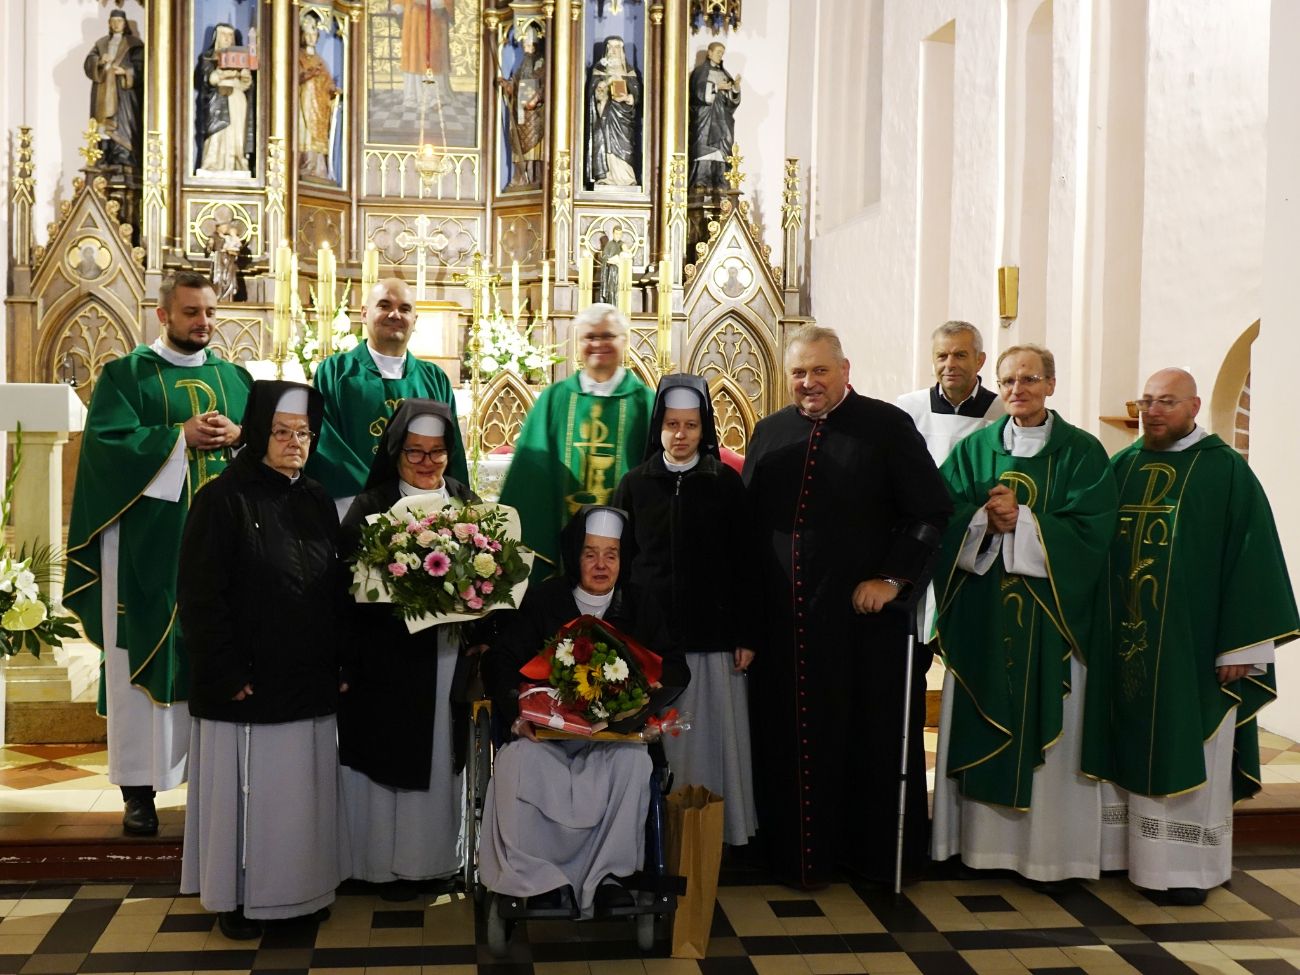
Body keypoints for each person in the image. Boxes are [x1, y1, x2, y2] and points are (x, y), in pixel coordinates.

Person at [742, 325, 951, 888]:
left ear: (845, 368)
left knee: (864, 740)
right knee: (785, 743)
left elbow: (931, 512)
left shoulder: (885, 426)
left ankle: (866, 859)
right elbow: (748, 527)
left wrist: (891, 577)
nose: (808, 383)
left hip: (861, 630)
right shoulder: (769, 432)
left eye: (819, 371)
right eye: (798, 373)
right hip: (785, 629)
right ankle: (794, 860)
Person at [1090, 368, 1299, 904]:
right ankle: (1127, 858)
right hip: (1130, 642)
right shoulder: (1123, 466)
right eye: (1147, 401)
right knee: (1128, 744)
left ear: (1194, 407)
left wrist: (1243, 648)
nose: (1153, 411)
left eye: (1166, 402)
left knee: (1193, 748)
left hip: (1196, 651)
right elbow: (1085, 540)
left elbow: (1253, 561)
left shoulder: (1225, 471)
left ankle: (1188, 872)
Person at [64, 271, 251, 837]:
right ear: (163, 315)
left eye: (211, 313)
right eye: (192, 312)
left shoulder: (235, 377)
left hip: (228, 550)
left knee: (222, 653)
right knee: (139, 662)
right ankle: (138, 790)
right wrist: (178, 437)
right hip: (149, 547)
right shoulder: (126, 375)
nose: (204, 323)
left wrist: (240, 434)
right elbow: (106, 448)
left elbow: (272, 447)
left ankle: (216, 784)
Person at [931, 343, 1118, 884]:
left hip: (1053, 629)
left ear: (1051, 385)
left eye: (1030, 380)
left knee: (1054, 746)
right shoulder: (974, 448)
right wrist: (981, 522)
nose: (1018, 391)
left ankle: (1052, 856)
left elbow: (1095, 530)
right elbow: (941, 516)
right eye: (1009, 381)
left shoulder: (1082, 453)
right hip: (985, 623)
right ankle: (978, 850)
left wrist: (1029, 524)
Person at [178, 380, 349, 940]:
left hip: (309, 678)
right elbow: (201, 596)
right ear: (257, 433)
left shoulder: (318, 498)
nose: (295, 442)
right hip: (247, 684)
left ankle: (301, 894)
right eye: (282, 432)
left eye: (304, 433)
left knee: (303, 798)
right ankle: (241, 900)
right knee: (251, 803)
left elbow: (336, 590)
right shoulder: (222, 499)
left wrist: (341, 662)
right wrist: (225, 671)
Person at [479, 505, 689, 916]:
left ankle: (609, 878)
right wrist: (517, 713)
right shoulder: (545, 599)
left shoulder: (640, 603)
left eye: (611, 554)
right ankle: (537, 880)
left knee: (634, 765)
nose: (600, 565)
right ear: (575, 556)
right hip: (550, 739)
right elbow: (500, 661)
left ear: (622, 559)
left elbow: (675, 664)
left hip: (614, 739)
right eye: (590, 553)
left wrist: (655, 687)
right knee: (515, 762)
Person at [337, 399, 479, 900]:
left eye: (437, 453)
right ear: (396, 452)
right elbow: (345, 587)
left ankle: (431, 862)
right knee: (386, 757)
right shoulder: (370, 506)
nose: (426, 463)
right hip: (384, 660)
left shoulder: (465, 502)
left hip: (444, 658)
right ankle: (376, 866)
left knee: (439, 757)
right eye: (414, 453)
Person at [614, 374, 760, 846]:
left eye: (691, 425)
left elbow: (746, 563)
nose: (681, 435)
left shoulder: (725, 484)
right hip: (652, 641)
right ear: (659, 427)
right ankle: (655, 834)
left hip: (714, 636)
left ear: (705, 429)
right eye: (673, 424)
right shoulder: (635, 484)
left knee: (712, 738)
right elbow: (620, 560)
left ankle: (715, 832)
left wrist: (747, 632)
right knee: (659, 741)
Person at [499, 303, 655, 580]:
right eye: (589, 337)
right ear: (578, 343)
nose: (598, 344)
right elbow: (529, 472)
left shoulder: (645, 403)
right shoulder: (554, 399)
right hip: (560, 544)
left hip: (628, 547)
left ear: (624, 341)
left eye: (607, 336)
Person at [307, 277, 466, 518]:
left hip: (425, 511)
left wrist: (460, 505)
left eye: (405, 309)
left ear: (415, 320)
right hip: (353, 507)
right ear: (363, 314)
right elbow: (327, 443)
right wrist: (377, 496)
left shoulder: (434, 378)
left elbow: (451, 451)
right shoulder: (336, 372)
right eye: (384, 305)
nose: (395, 315)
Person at [895, 321, 1006, 466]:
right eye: (942, 356)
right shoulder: (909, 407)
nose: (950, 365)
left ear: (979, 360)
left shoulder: (1002, 411)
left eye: (960, 355)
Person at [84, 9, 144, 169]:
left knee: (123, 126)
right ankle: (103, 157)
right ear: (109, 24)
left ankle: (122, 158)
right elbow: (89, 63)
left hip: (124, 95)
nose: (116, 24)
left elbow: (142, 67)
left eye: (119, 21)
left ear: (125, 24)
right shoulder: (101, 43)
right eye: (113, 21)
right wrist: (99, 61)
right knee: (102, 126)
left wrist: (125, 71)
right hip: (103, 93)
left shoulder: (134, 44)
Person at [196, 23, 255, 174]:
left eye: (230, 36)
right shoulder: (208, 57)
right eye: (224, 35)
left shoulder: (241, 58)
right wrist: (223, 74)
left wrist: (244, 75)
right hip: (217, 97)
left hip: (236, 97)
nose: (228, 39)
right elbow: (207, 79)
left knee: (236, 132)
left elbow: (246, 84)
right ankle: (213, 162)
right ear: (217, 37)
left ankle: (236, 163)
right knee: (217, 133)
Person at [586, 36, 641, 188]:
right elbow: (594, 92)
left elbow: (636, 93)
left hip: (624, 116)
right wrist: (605, 84)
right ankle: (606, 176)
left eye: (617, 47)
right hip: (605, 114)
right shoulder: (600, 69)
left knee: (626, 145)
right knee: (605, 142)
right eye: (610, 47)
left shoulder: (628, 70)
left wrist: (629, 98)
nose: (613, 51)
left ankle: (626, 177)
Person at [688, 42, 741, 190]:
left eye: (722, 53)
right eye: (718, 52)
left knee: (722, 150)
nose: (720, 55)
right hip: (705, 118)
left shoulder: (725, 74)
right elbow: (697, 94)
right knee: (703, 148)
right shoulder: (700, 72)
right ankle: (701, 182)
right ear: (709, 53)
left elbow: (731, 102)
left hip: (722, 119)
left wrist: (735, 88)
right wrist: (717, 87)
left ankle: (720, 182)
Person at [500, 26, 545, 189]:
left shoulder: (542, 63)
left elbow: (545, 85)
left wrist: (536, 98)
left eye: (527, 43)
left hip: (535, 113)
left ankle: (533, 178)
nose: (525, 46)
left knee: (534, 146)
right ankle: (520, 177)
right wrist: (508, 85)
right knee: (517, 144)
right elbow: (516, 83)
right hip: (520, 111)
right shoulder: (522, 63)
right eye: (524, 43)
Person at [298, 13, 340, 181]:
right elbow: (295, 78)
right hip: (305, 105)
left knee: (320, 136)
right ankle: (307, 167)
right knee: (306, 134)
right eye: (307, 34)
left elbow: (327, 81)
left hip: (320, 106)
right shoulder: (298, 56)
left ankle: (319, 169)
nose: (311, 38)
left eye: (314, 34)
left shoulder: (320, 60)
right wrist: (308, 75)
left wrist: (333, 90)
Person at [401, 0, 455, 106]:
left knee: (432, 58)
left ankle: (434, 95)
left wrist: (434, 3)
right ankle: (415, 95)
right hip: (413, 20)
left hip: (434, 19)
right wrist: (398, 7)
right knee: (415, 58)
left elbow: (445, 3)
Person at [597, 226, 625, 305]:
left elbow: (629, 256)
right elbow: (604, 257)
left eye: (620, 234)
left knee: (620, 291)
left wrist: (621, 259)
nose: (618, 235)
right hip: (611, 272)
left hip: (621, 271)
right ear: (613, 234)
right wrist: (610, 260)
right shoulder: (609, 244)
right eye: (616, 234)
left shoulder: (622, 244)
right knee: (611, 290)